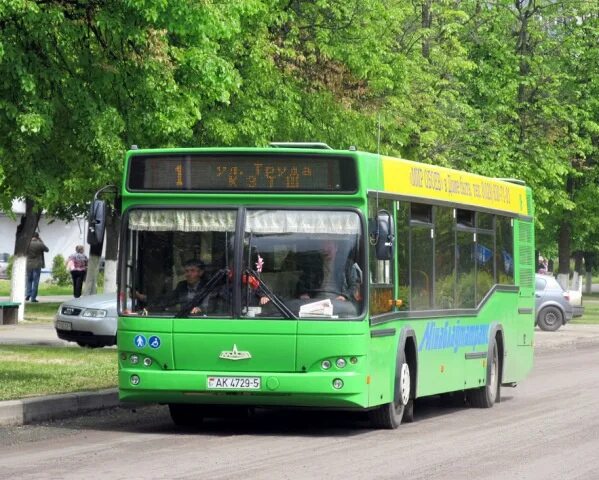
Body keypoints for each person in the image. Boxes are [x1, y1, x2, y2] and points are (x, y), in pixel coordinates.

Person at [135, 259, 209, 313]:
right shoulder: (182, 286)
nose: (188, 274)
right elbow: (167, 300)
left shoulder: (208, 286)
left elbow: (212, 304)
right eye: (186, 271)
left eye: (192, 271)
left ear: (201, 272)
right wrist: (144, 298)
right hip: (184, 319)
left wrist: (200, 309)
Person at [25, 232, 49, 302]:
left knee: (29, 280)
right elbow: (47, 250)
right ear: (38, 237)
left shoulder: (27, 244)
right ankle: (33, 298)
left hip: (28, 264)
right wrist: (41, 241)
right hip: (37, 264)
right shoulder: (40, 244)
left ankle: (28, 294)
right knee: (35, 281)